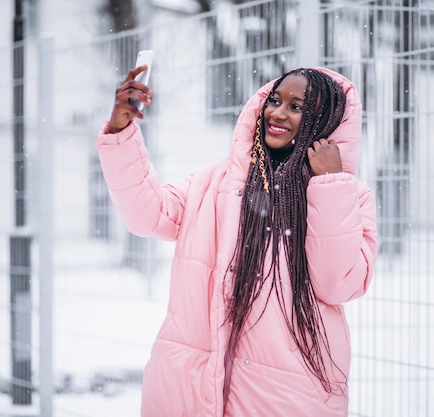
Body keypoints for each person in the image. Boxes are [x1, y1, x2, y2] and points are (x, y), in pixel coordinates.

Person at [96, 65, 378, 417]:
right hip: (191, 384)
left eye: (297, 106)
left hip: (283, 395)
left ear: (325, 122)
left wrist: (330, 185)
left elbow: (338, 285)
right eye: (274, 100)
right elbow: (147, 214)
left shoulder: (348, 196)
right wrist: (122, 129)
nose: (277, 113)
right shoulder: (214, 182)